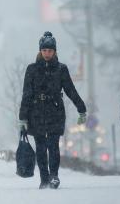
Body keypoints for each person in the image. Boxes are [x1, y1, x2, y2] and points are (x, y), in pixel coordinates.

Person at [19, 31, 87, 189]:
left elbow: (71, 90)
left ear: (55, 51)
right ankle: (44, 178)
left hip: (55, 112)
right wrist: (22, 118)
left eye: (50, 50)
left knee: (53, 146)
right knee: (41, 147)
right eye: (44, 50)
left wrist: (81, 109)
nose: (47, 53)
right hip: (36, 113)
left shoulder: (61, 69)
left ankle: (54, 176)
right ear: (40, 51)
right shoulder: (32, 69)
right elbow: (26, 94)